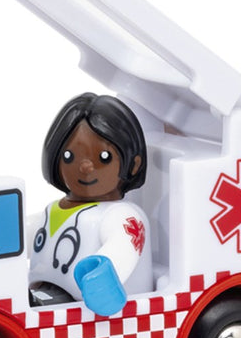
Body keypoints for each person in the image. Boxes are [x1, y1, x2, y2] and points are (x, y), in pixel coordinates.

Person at [29, 93, 152, 314]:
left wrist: (103, 277)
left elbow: (124, 246)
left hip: (99, 312)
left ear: (134, 165)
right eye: (69, 156)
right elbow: (29, 233)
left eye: (104, 157)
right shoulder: (52, 210)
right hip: (48, 302)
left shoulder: (121, 215)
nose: (85, 166)